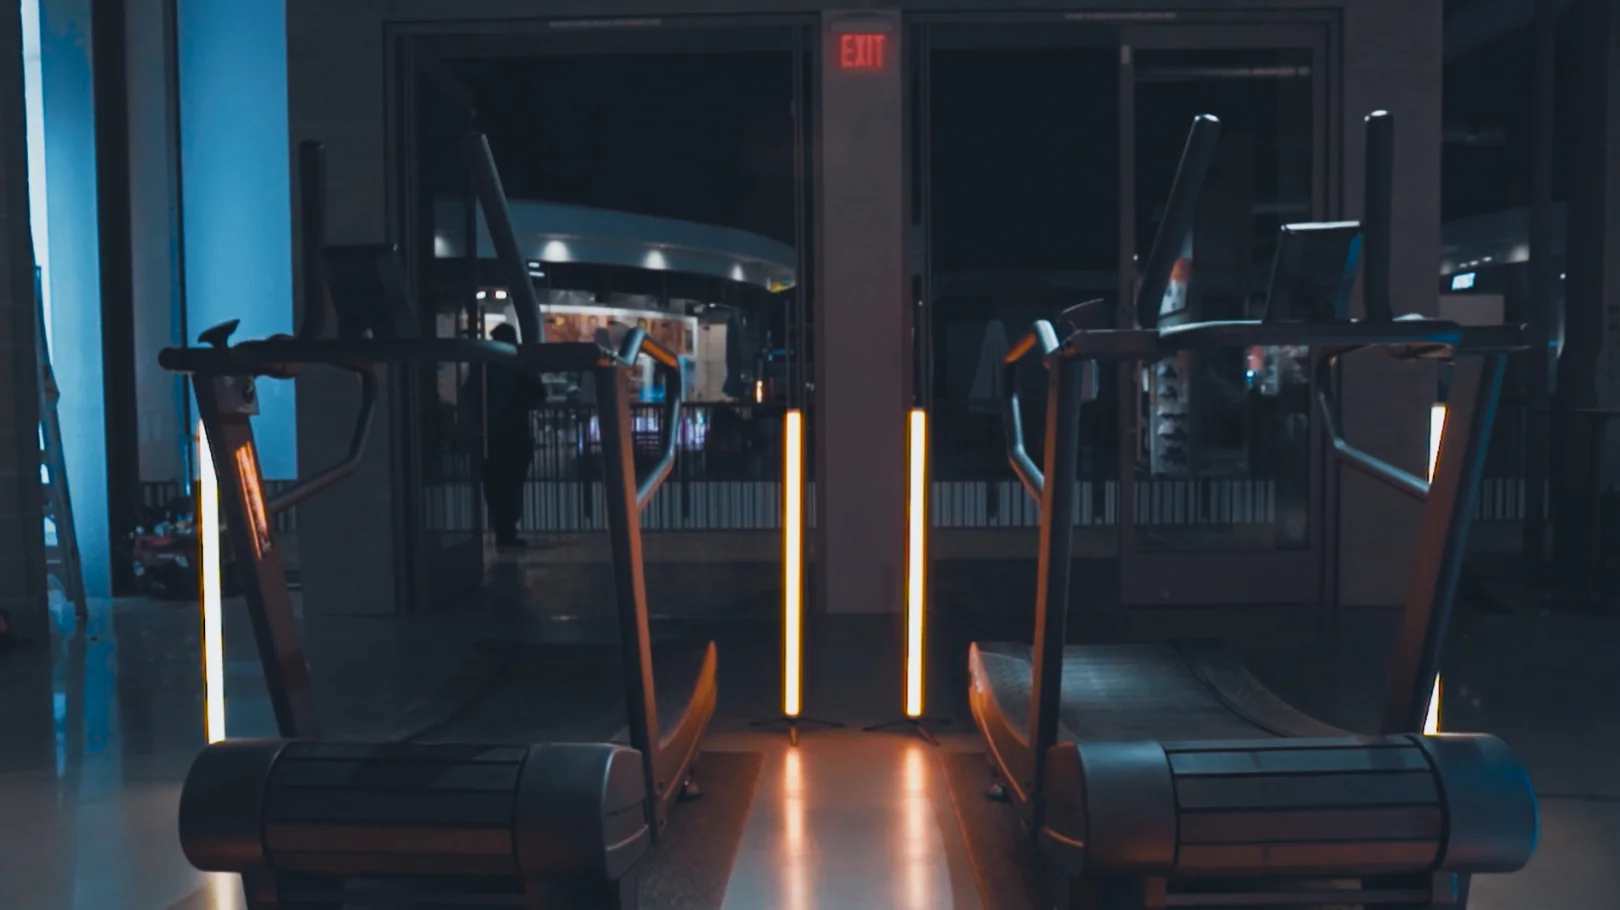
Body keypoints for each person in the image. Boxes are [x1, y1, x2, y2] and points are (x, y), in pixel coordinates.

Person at [481, 322, 542, 548]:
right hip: (515, 435)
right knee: (512, 486)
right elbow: (538, 395)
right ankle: (507, 532)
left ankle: (502, 530)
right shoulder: (520, 366)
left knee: (495, 487)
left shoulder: (484, 366)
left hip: (491, 437)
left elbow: (470, 394)